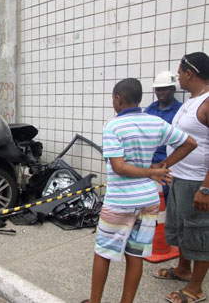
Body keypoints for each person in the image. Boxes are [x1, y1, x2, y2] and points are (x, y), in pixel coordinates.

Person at [82, 78, 197, 303]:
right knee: (135, 255)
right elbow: (190, 143)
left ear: (118, 98)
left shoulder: (113, 126)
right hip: (148, 200)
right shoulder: (155, 122)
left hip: (120, 201)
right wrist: (161, 167)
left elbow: (119, 166)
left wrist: (153, 172)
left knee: (103, 252)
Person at [153, 52, 209, 303]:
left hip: (198, 181)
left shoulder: (207, 102)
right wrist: (163, 166)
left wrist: (206, 189)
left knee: (199, 232)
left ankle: (195, 288)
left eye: (179, 73)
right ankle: (183, 269)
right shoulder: (191, 99)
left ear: (190, 73)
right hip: (179, 177)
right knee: (182, 229)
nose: (177, 78)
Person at [144, 71, 183, 202]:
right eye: (157, 89)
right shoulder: (150, 109)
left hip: (169, 164)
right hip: (150, 163)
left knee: (164, 201)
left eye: (164, 89)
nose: (160, 92)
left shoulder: (180, 110)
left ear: (173, 89)